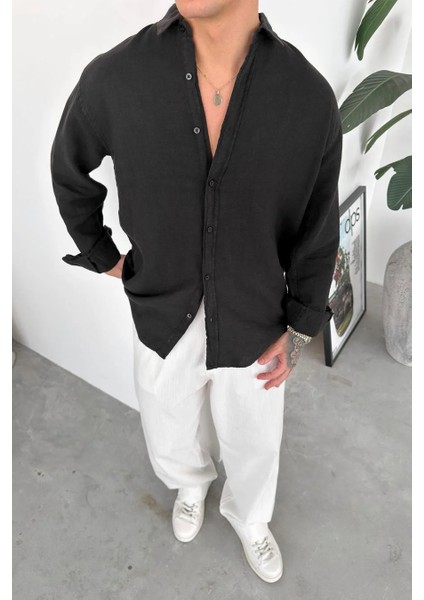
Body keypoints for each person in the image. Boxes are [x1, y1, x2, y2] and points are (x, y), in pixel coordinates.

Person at [50, 1, 342, 585]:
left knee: (254, 432)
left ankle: (250, 516)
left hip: (257, 316)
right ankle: (190, 484)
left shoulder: (307, 98)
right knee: (167, 418)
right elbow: (69, 169)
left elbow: (318, 226)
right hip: (162, 307)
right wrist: (104, 256)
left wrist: (301, 324)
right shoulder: (118, 76)